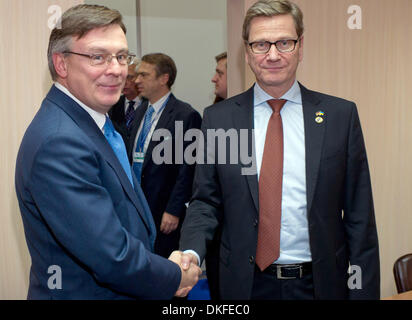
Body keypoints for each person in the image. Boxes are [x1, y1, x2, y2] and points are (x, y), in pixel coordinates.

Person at [179, 0, 380, 300]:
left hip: (320, 285)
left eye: (284, 42)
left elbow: (359, 217)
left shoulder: (340, 116)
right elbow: (205, 202)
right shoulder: (219, 119)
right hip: (244, 285)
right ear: (246, 53)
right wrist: (191, 252)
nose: (273, 54)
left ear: (301, 47)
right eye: (261, 44)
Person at [15, 4, 200, 300]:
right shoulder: (60, 142)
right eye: (97, 57)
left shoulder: (92, 124)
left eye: (122, 56)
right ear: (61, 64)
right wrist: (176, 274)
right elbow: (112, 256)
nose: (116, 69)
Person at [127, 53, 202, 258]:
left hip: (164, 211)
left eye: (144, 75)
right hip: (138, 206)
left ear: (164, 78)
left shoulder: (186, 115)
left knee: (168, 269)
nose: (137, 80)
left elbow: (188, 169)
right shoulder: (141, 112)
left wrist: (174, 209)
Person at [109, 58, 147, 141]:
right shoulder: (111, 105)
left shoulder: (150, 105)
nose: (124, 82)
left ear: (140, 79)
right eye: (121, 77)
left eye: (129, 77)